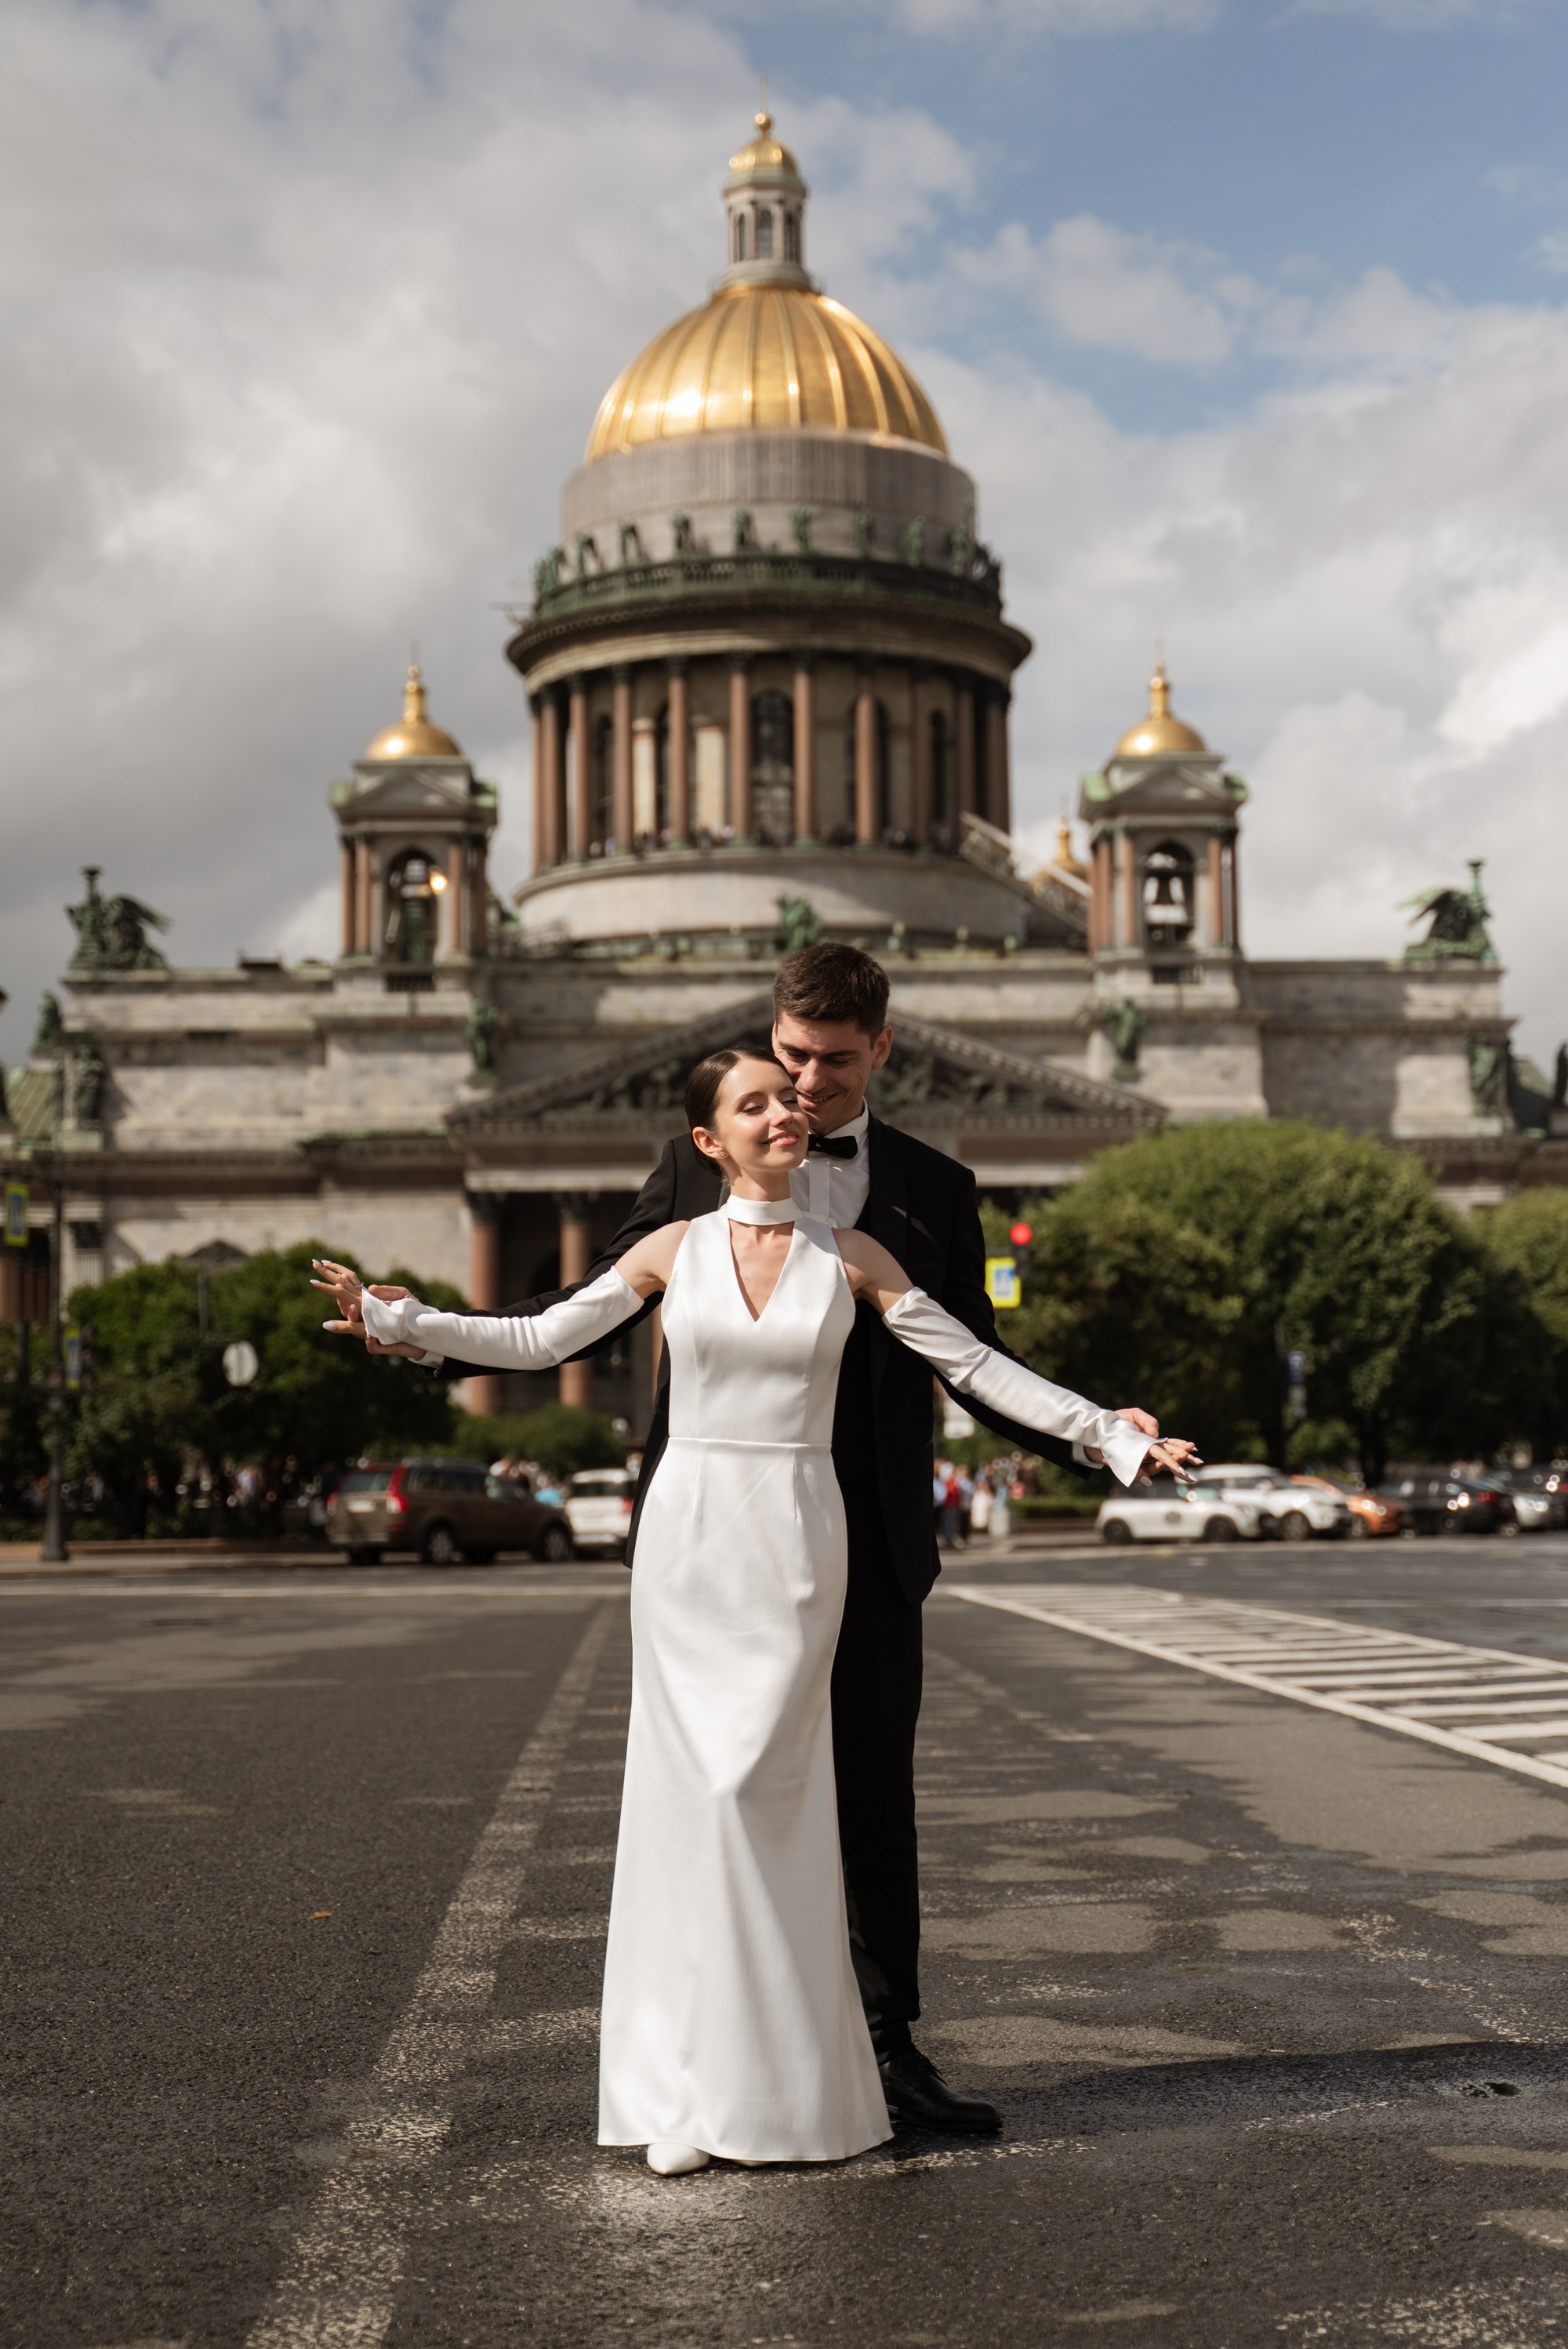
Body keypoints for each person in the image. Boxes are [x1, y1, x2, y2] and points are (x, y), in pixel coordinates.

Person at [313, 1051, 1193, 2174]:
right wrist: (402, 1319)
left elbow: (977, 1369)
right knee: (694, 1799)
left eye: (789, 1098)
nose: (785, 1110)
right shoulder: (667, 1250)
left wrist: (1112, 1434)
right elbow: (539, 1339)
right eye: (754, 1103)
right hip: (689, 1538)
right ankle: (682, 2093)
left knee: (769, 1798)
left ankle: (782, 2092)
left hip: (795, 1533)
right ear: (709, 1142)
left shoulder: (857, 1256)